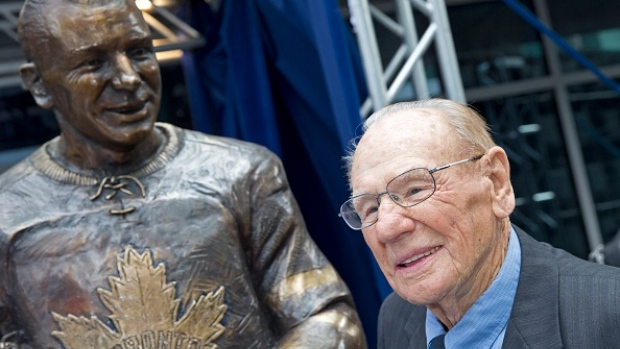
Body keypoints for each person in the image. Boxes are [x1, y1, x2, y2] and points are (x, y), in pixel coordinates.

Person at [0, 0, 367, 348]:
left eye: (139, 51)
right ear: (38, 84)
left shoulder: (241, 174)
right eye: (94, 63)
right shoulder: (8, 214)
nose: (128, 77)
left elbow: (327, 317)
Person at [339, 98, 620, 348]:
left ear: (496, 183)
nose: (387, 228)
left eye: (415, 190)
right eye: (371, 208)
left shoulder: (608, 314)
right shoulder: (397, 318)